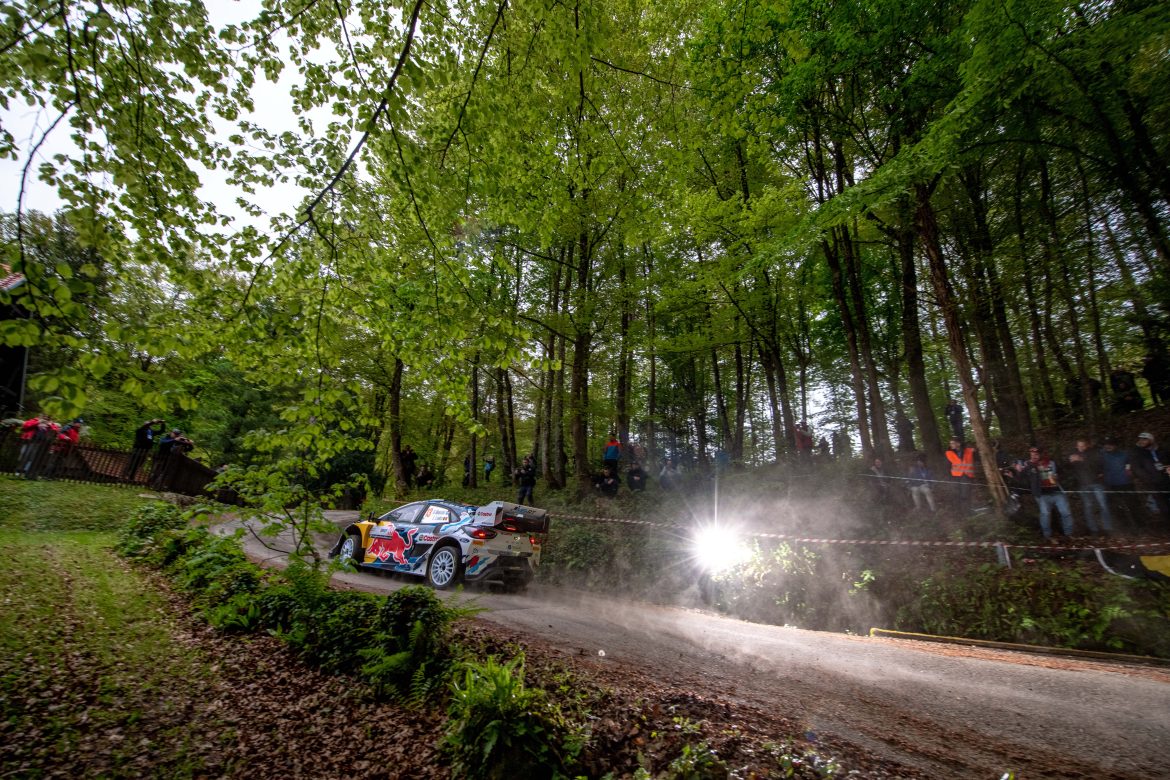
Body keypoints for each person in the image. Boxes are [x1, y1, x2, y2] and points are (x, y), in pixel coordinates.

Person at [1017, 446, 1074, 539]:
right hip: (1042, 495)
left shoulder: (1052, 463)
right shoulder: (1029, 465)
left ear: (1041, 454)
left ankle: (1069, 534)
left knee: (1066, 512)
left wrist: (1058, 477)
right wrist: (1018, 471)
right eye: (1031, 454)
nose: (1033, 456)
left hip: (1057, 492)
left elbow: (1063, 473)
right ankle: (1047, 536)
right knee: (1045, 514)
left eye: (1036, 454)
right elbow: (1022, 479)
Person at [1067, 438, 1112, 535]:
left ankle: (1107, 528)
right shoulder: (1073, 454)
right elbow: (1068, 469)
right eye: (1079, 446)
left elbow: (1096, 466)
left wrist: (1081, 459)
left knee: (1103, 505)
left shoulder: (1093, 453)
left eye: (1083, 446)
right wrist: (1070, 462)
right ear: (1076, 446)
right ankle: (1093, 529)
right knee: (1088, 507)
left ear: (1087, 446)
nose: (1081, 448)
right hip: (1083, 485)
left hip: (1096, 483)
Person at [1101, 436, 1144, 532]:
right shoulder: (1101, 454)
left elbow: (1131, 464)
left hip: (1126, 484)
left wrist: (1130, 471)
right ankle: (1124, 528)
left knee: (1133, 505)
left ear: (1116, 445)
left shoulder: (1124, 454)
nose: (1108, 446)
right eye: (1106, 444)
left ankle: (1141, 526)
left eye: (1110, 444)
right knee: (1116, 507)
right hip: (1110, 485)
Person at [1131, 432, 1170, 523]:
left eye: (1145, 439)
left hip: (1167, 480)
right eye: (1140, 439)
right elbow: (1137, 469)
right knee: (1163, 506)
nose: (1141, 441)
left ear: (1151, 440)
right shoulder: (1138, 453)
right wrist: (1149, 479)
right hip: (1154, 484)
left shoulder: (1163, 450)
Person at [944, 437, 976, 512]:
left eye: (953, 443)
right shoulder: (948, 453)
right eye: (950, 443)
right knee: (956, 494)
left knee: (966, 494)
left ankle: (967, 510)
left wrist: (973, 448)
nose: (951, 445)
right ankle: (958, 511)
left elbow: (977, 450)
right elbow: (947, 465)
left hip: (966, 476)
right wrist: (949, 476)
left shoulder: (968, 450)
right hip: (955, 477)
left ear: (958, 444)